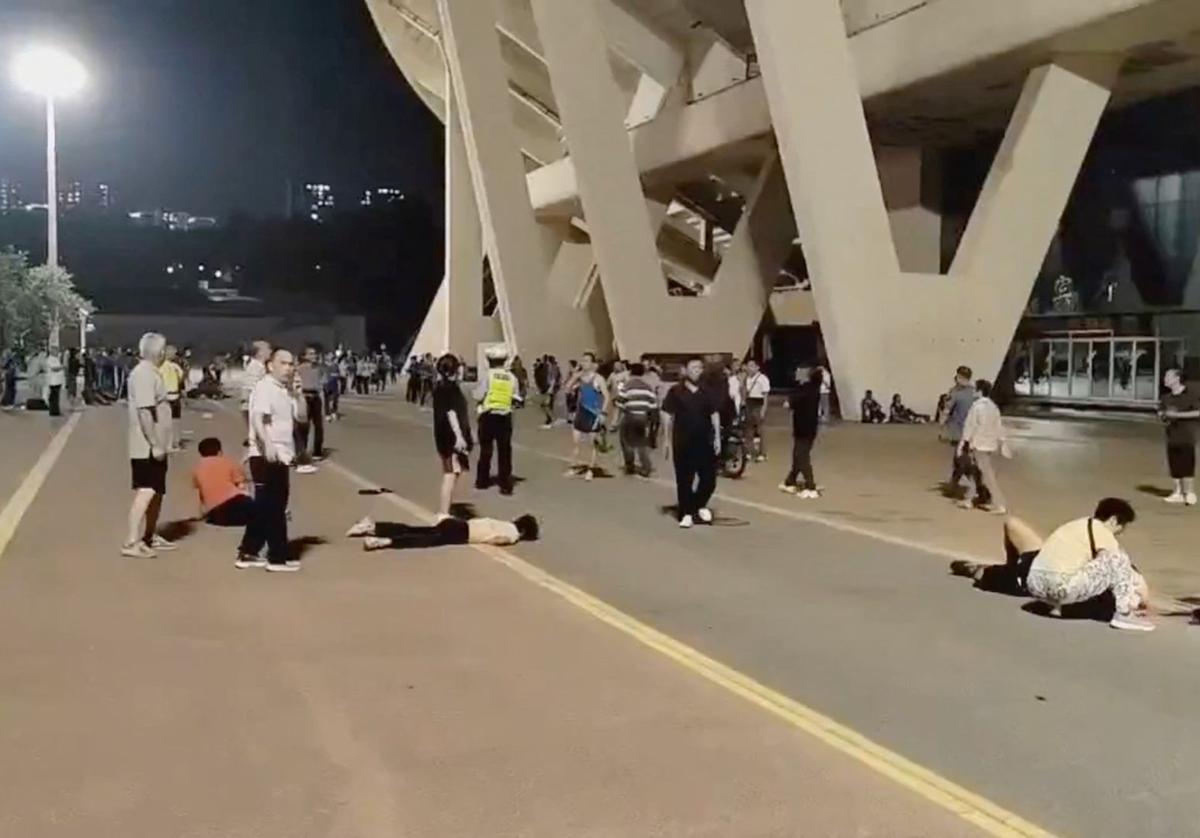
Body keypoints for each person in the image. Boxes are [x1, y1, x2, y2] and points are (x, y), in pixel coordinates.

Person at [238, 347, 307, 572]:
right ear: (270, 365)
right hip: (267, 454)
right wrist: (266, 443)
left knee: (266, 506)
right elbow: (257, 418)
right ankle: (277, 557)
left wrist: (299, 394)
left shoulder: (285, 391)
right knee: (275, 507)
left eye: (291, 364)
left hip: (283, 454)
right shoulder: (265, 387)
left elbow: (302, 417)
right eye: (284, 363)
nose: (289, 368)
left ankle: (248, 551)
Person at [123, 332, 175, 558]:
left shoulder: (150, 373)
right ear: (159, 351)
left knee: (156, 491)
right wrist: (154, 443)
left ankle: (149, 535)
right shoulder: (144, 374)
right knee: (147, 490)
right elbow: (145, 411)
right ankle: (131, 542)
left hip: (156, 444)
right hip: (147, 446)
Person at [662, 357, 721, 528]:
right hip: (683, 441)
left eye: (699, 367)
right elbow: (667, 415)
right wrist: (666, 440)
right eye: (693, 367)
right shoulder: (676, 391)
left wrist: (717, 436)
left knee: (709, 479)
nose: (696, 370)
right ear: (685, 370)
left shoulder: (707, 391)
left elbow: (714, 414)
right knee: (685, 480)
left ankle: (697, 504)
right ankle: (686, 513)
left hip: (705, 442)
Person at [346, 513, 540, 551]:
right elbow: (499, 540)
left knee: (418, 530)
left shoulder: (504, 522)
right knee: (423, 540)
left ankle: (373, 527)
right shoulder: (513, 535)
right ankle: (383, 541)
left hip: (460, 524)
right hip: (464, 535)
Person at [474, 346, 519, 495]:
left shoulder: (488, 376)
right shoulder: (512, 378)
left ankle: (482, 481)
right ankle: (505, 484)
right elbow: (516, 398)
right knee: (505, 451)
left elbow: (479, 395)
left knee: (486, 450)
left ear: (489, 361)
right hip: (505, 417)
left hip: (488, 415)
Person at [958, 379, 1008, 514]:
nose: (973, 392)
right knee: (977, 471)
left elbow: (970, 426)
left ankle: (999, 503)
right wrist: (1002, 443)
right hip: (990, 444)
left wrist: (963, 443)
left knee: (987, 475)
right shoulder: (993, 407)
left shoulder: (976, 407)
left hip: (978, 444)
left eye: (975, 389)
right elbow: (999, 426)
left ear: (979, 391)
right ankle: (969, 499)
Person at [432, 353, 473, 516]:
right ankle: (443, 513)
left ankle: (444, 511)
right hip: (450, 437)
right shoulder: (451, 389)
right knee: (450, 475)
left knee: (451, 472)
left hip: (443, 436)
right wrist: (459, 436)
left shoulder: (440, 388)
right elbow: (451, 413)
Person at [779, 366, 821, 498]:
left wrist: (790, 401)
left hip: (805, 428)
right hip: (803, 428)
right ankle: (790, 481)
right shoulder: (807, 388)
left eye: (800, 371)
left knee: (801, 456)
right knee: (798, 455)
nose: (797, 372)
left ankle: (810, 485)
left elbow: (791, 402)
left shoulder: (807, 390)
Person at [1159, 368, 1199, 505]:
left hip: (1187, 436)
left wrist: (1178, 415)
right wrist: (1163, 416)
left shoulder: (1190, 395)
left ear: (1177, 378)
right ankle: (1177, 492)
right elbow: (1163, 414)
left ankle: (1189, 492)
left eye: (1168, 376)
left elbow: (1198, 412)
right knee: (1174, 465)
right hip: (1172, 436)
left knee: (1187, 464)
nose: (1165, 379)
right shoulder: (1166, 398)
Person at [566, 352, 609, 480]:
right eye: (582, 360)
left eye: (586, 361)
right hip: (581, 411)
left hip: (593, 412)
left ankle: (591, 469)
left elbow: (607, 397)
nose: (583, 363)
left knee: (592, 444)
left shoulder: (598, 378)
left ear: (592, 363)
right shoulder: (579, 377)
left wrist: (603, 413)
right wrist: (575, 376)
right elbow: (567, 388)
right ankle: (574, 466)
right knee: (576, 442)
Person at [192, 437, 253, 526]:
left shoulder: (197, 468)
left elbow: (200, 492)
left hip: (215, 512)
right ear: (219, 452)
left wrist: (203, 513)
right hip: (235, 503)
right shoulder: (227, 462)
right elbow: (240, 484)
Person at [942, 367, 981, 498]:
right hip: (973, 431)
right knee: (961, 458)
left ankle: (975, 486)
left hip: (959, 431)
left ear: (960, 377)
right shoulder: (975, 393)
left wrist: (942, 426)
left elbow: (947, 410)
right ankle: (954, 485)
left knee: (961, 460)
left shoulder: (955, 392)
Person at [616, 362, 658, 477]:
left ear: (630, 373)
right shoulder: (648, 387)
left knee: (626, 441)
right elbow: (653, 405)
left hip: (630, 416)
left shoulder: (627, 386)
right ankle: (646, 467)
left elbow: (620, 403)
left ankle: (630, 465)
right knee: (641, 442)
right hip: (643, 417)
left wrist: (615, 421)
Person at [294, 345, 325, 472]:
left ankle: (317, 451)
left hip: (316, 397)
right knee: (303, 426)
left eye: (315, 354)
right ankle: (302, 452)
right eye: (311, 354)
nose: (314, 356)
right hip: (304, 397)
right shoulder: (299, 369)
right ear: (304, 356)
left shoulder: (318, 369)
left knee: (319, 425)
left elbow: (320, 382)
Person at [241, 340, 271, 440]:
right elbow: (250, 388)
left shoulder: (260, 366)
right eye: (268, 349)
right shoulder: (255, 367)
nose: (270, 351)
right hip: (254, 406)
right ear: (260, 352)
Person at [743, 359, 770, 462]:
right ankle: (749, 451)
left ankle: (762, 453)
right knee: (748, 429)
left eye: (752, 366)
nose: (749, 368)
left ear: (757, 367)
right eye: (748, 366)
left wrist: (764, 409)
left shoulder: (763, 379)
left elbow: (765, 396)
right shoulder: (747, 378)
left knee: (760, 429)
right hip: (749, 402)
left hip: (759, 403)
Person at [540, 355, 562, 429]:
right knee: (549, 404)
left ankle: (551, 418)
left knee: (545, 405)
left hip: (551, 388)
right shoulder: (554, 367)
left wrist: (550, 389)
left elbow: (553, 379)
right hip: (552, 388)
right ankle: (549, 418)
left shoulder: (553, 368)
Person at [45, 349, 65, 417]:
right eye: (56, 351)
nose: (57, 352)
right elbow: (53, 368)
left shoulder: (56, 359)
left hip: (57, 381)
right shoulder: (50, 359)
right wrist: (61, 367)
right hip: (53, 381)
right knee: (53, 397)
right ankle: (53, 411)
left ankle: (56, 410)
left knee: (56, 397)